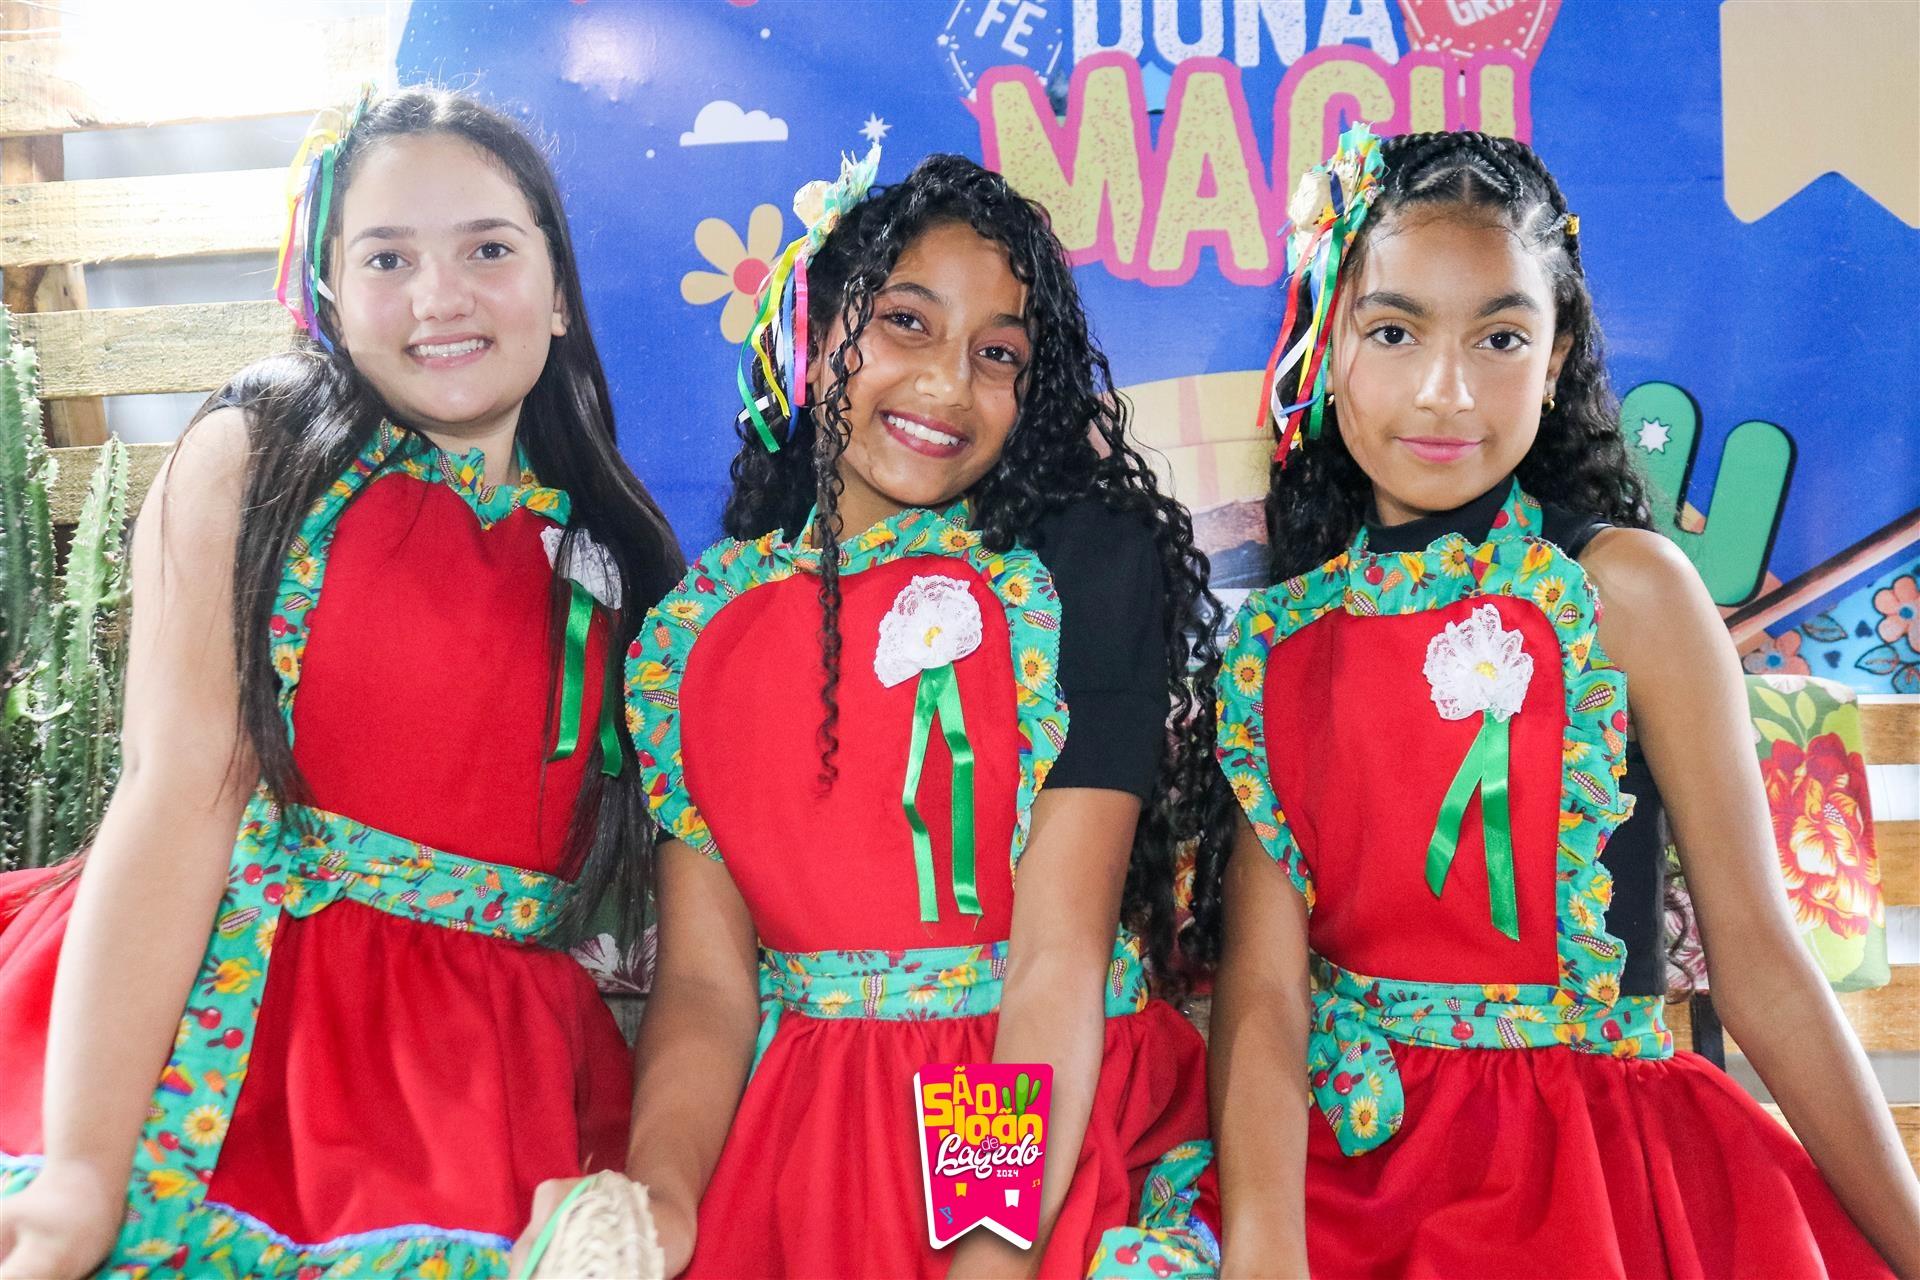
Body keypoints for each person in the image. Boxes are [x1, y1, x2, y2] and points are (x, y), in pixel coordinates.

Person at [1194, 124, 1919, 1278]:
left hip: (1597, 1176)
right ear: (1326, 347)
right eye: (1393, 331)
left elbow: (1763, 967)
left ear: (1556, 351)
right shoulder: (1277, 645)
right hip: (1353, 1172)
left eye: (1499, 337)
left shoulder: (1627, 591)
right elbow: (1266, 993)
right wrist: (1267, 1243)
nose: (1446, 390)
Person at [0, 87, 682, 1279]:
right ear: (325, 289)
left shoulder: (625, 565)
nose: (440, 295)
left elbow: (676, 937)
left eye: (488, 248)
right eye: (387, 256)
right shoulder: (257, 459)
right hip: (230, 1031)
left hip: (489, 1086)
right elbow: (176, 792)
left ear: (559, 289)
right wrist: (84, 1167)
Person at [569, 150, 1227, 1278]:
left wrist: (987, 1251)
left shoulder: (1075, 574)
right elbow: (708, 988)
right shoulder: (699, 635)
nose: (947, 384)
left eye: (997, 353)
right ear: (812, 334)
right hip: (813, 1144)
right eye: (906, 323)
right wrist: (661, 1200)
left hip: (1037, 1127)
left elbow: (1052, 965)